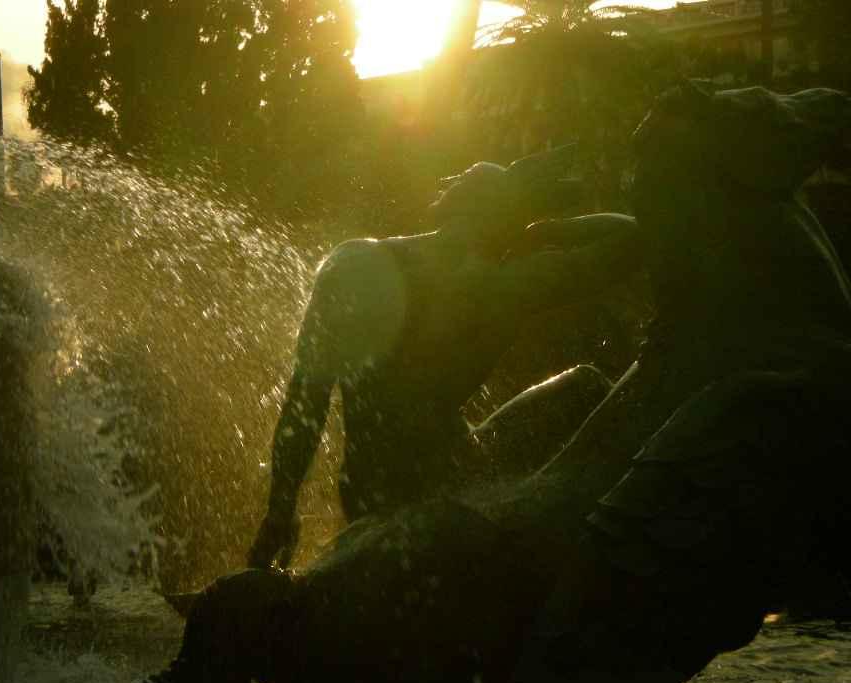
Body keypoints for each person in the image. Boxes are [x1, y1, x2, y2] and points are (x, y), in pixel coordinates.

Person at [248, 147, 642, 569]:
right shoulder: (500, 287)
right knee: (586, 385)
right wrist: (540, 230)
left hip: (367, 490)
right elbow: (633, 237)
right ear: (507, 223)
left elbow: (304, 406)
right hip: (451, 482)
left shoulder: (351, 262)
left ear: (453, 207)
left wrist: (280, 511)